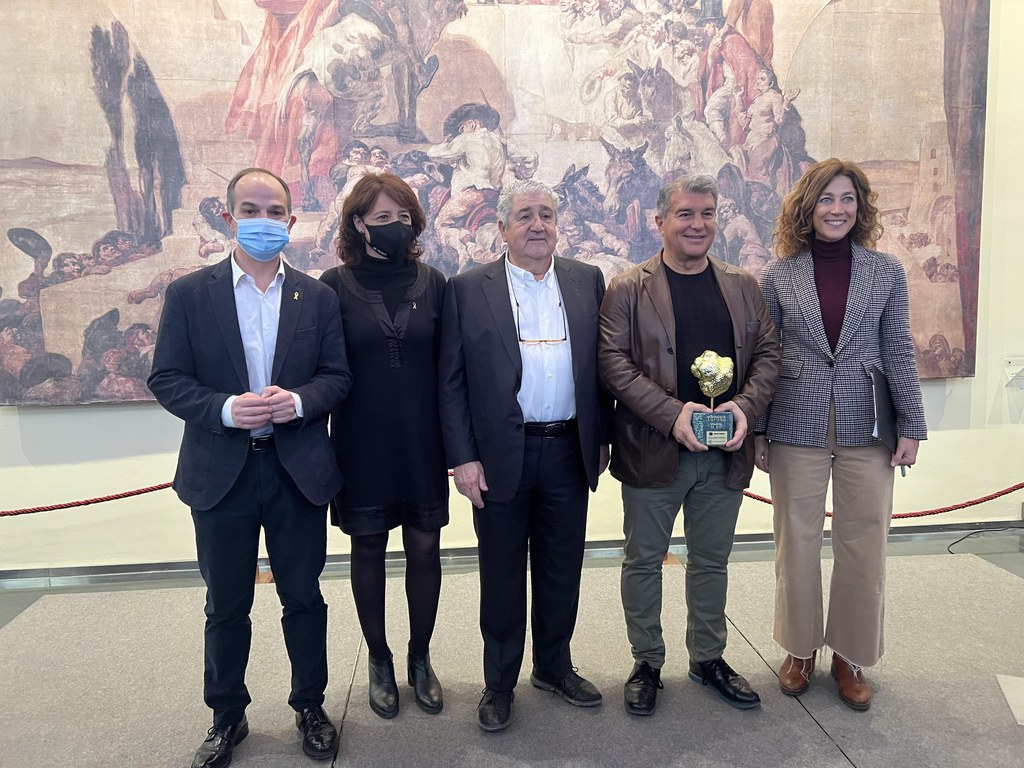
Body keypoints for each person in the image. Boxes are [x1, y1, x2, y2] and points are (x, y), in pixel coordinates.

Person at [148, 167, 351, 767]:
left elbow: (338, 377)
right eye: (250, 210)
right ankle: (226, 716)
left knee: (304, 598)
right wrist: (224, 409)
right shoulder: (190, 294)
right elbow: (167, 378)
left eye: (275, 211)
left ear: (292, 221)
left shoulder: (318, 297)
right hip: (221, 475)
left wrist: (301, 402)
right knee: (226, 604)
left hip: (297, 472)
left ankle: (310, 706)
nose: (264, 221)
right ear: (228, 217)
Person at [598, 174, 780, 716]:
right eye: (685, 214)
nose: (698, 224)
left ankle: (708, 658)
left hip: (724, 454)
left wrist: (745, 408)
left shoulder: (743, 286)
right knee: (643, 561)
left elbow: (768, 355)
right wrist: (673, 414)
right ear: (660, 222)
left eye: (707, 213)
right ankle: (647, 662)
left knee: (711, 561)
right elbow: (613, 364)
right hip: (653, 451)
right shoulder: (627, 289)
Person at [439, 179, 611, 732]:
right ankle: (499, 683)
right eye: (525, 215)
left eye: (547, 214)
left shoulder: (586, 280)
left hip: (567, 450)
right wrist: (463, 458)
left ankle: (554, 667)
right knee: (502, 574)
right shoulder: (468, 289)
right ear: (502, 228)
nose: (538, 225)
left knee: (562, 568)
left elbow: (603, 366)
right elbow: (451, 383)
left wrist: (600, 436)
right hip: (496, 459)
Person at [754, 158, 926, 710]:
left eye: (847, 199)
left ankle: (850, 655)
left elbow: (898, 349)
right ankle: (800, 648)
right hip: (794, 421)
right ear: (807, 208)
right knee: (796, 542)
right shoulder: (778, 276)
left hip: (868, 424)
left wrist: (912, 424)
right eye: (826, 199)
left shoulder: (886, 272)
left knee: (864, 542)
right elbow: (765, 358)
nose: (837, 209)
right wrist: (758, 428)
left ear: (860, 207)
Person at [319, 174, 449, 719]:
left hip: (422, 441)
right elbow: (323, 368)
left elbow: (451, 371)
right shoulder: (332, 285)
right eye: (382, 218)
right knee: (368, 547)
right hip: (360, 441)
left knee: (425, 548)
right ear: (358, 223)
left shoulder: (435, 282)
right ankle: (379, 659)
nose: (396, 227)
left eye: (404, 218)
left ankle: (420, 657)